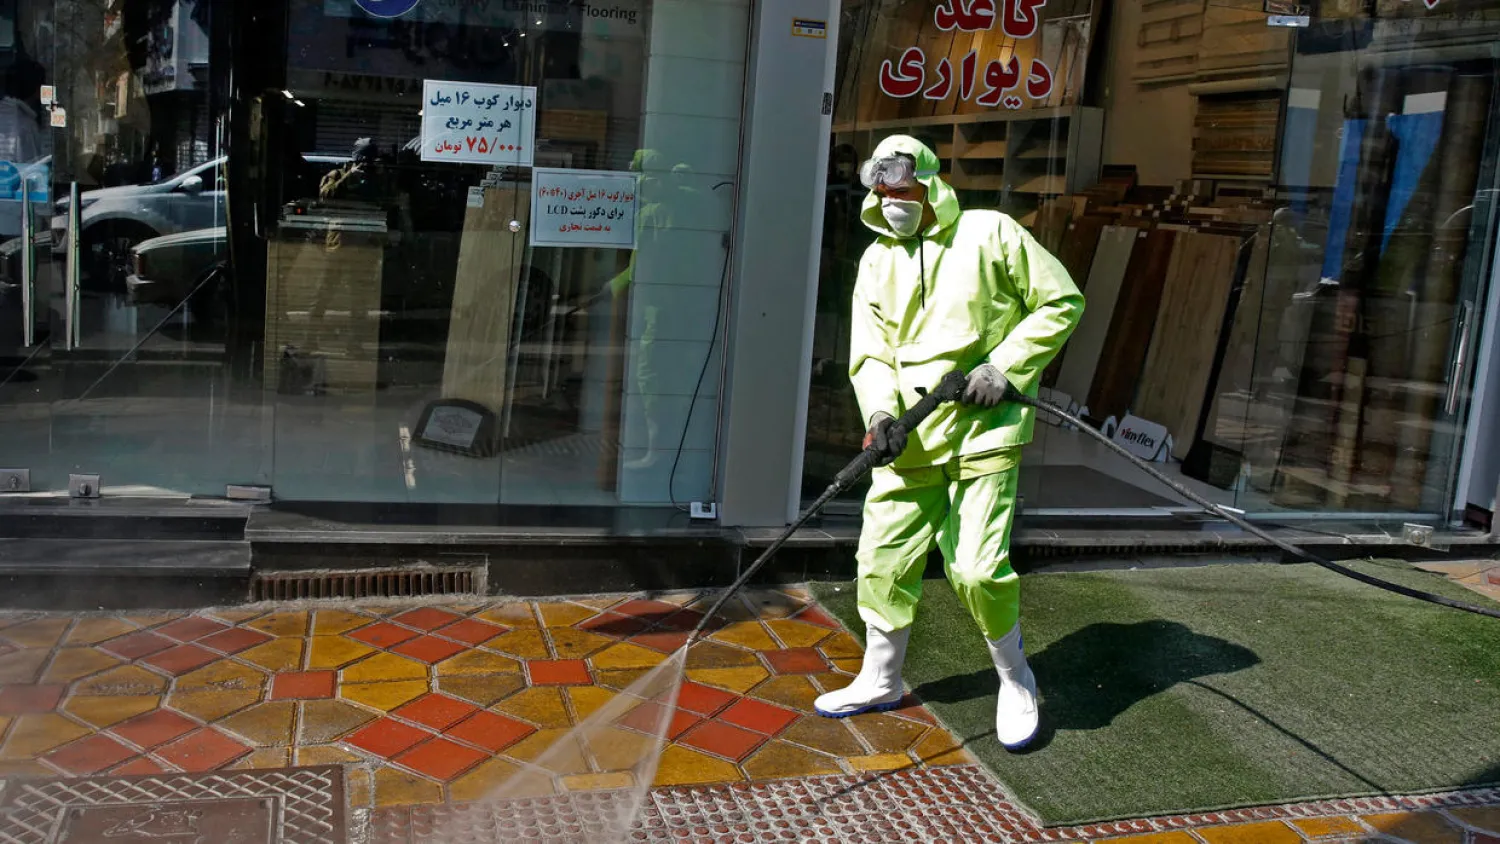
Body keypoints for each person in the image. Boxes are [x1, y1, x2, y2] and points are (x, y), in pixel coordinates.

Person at [812, 135, 1084, 751]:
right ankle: (880, 678)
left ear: (930, 183)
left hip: (982, 430)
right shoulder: (877, 260)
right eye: (881, 194)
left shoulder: (992, 234)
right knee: (881, 556)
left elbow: (1060, 300)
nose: (891, 202)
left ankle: (1016, 678)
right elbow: (871, 350)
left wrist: (1007, 367)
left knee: (977, 568)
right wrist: (881, 412)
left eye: (901, 190)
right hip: (909, 435)